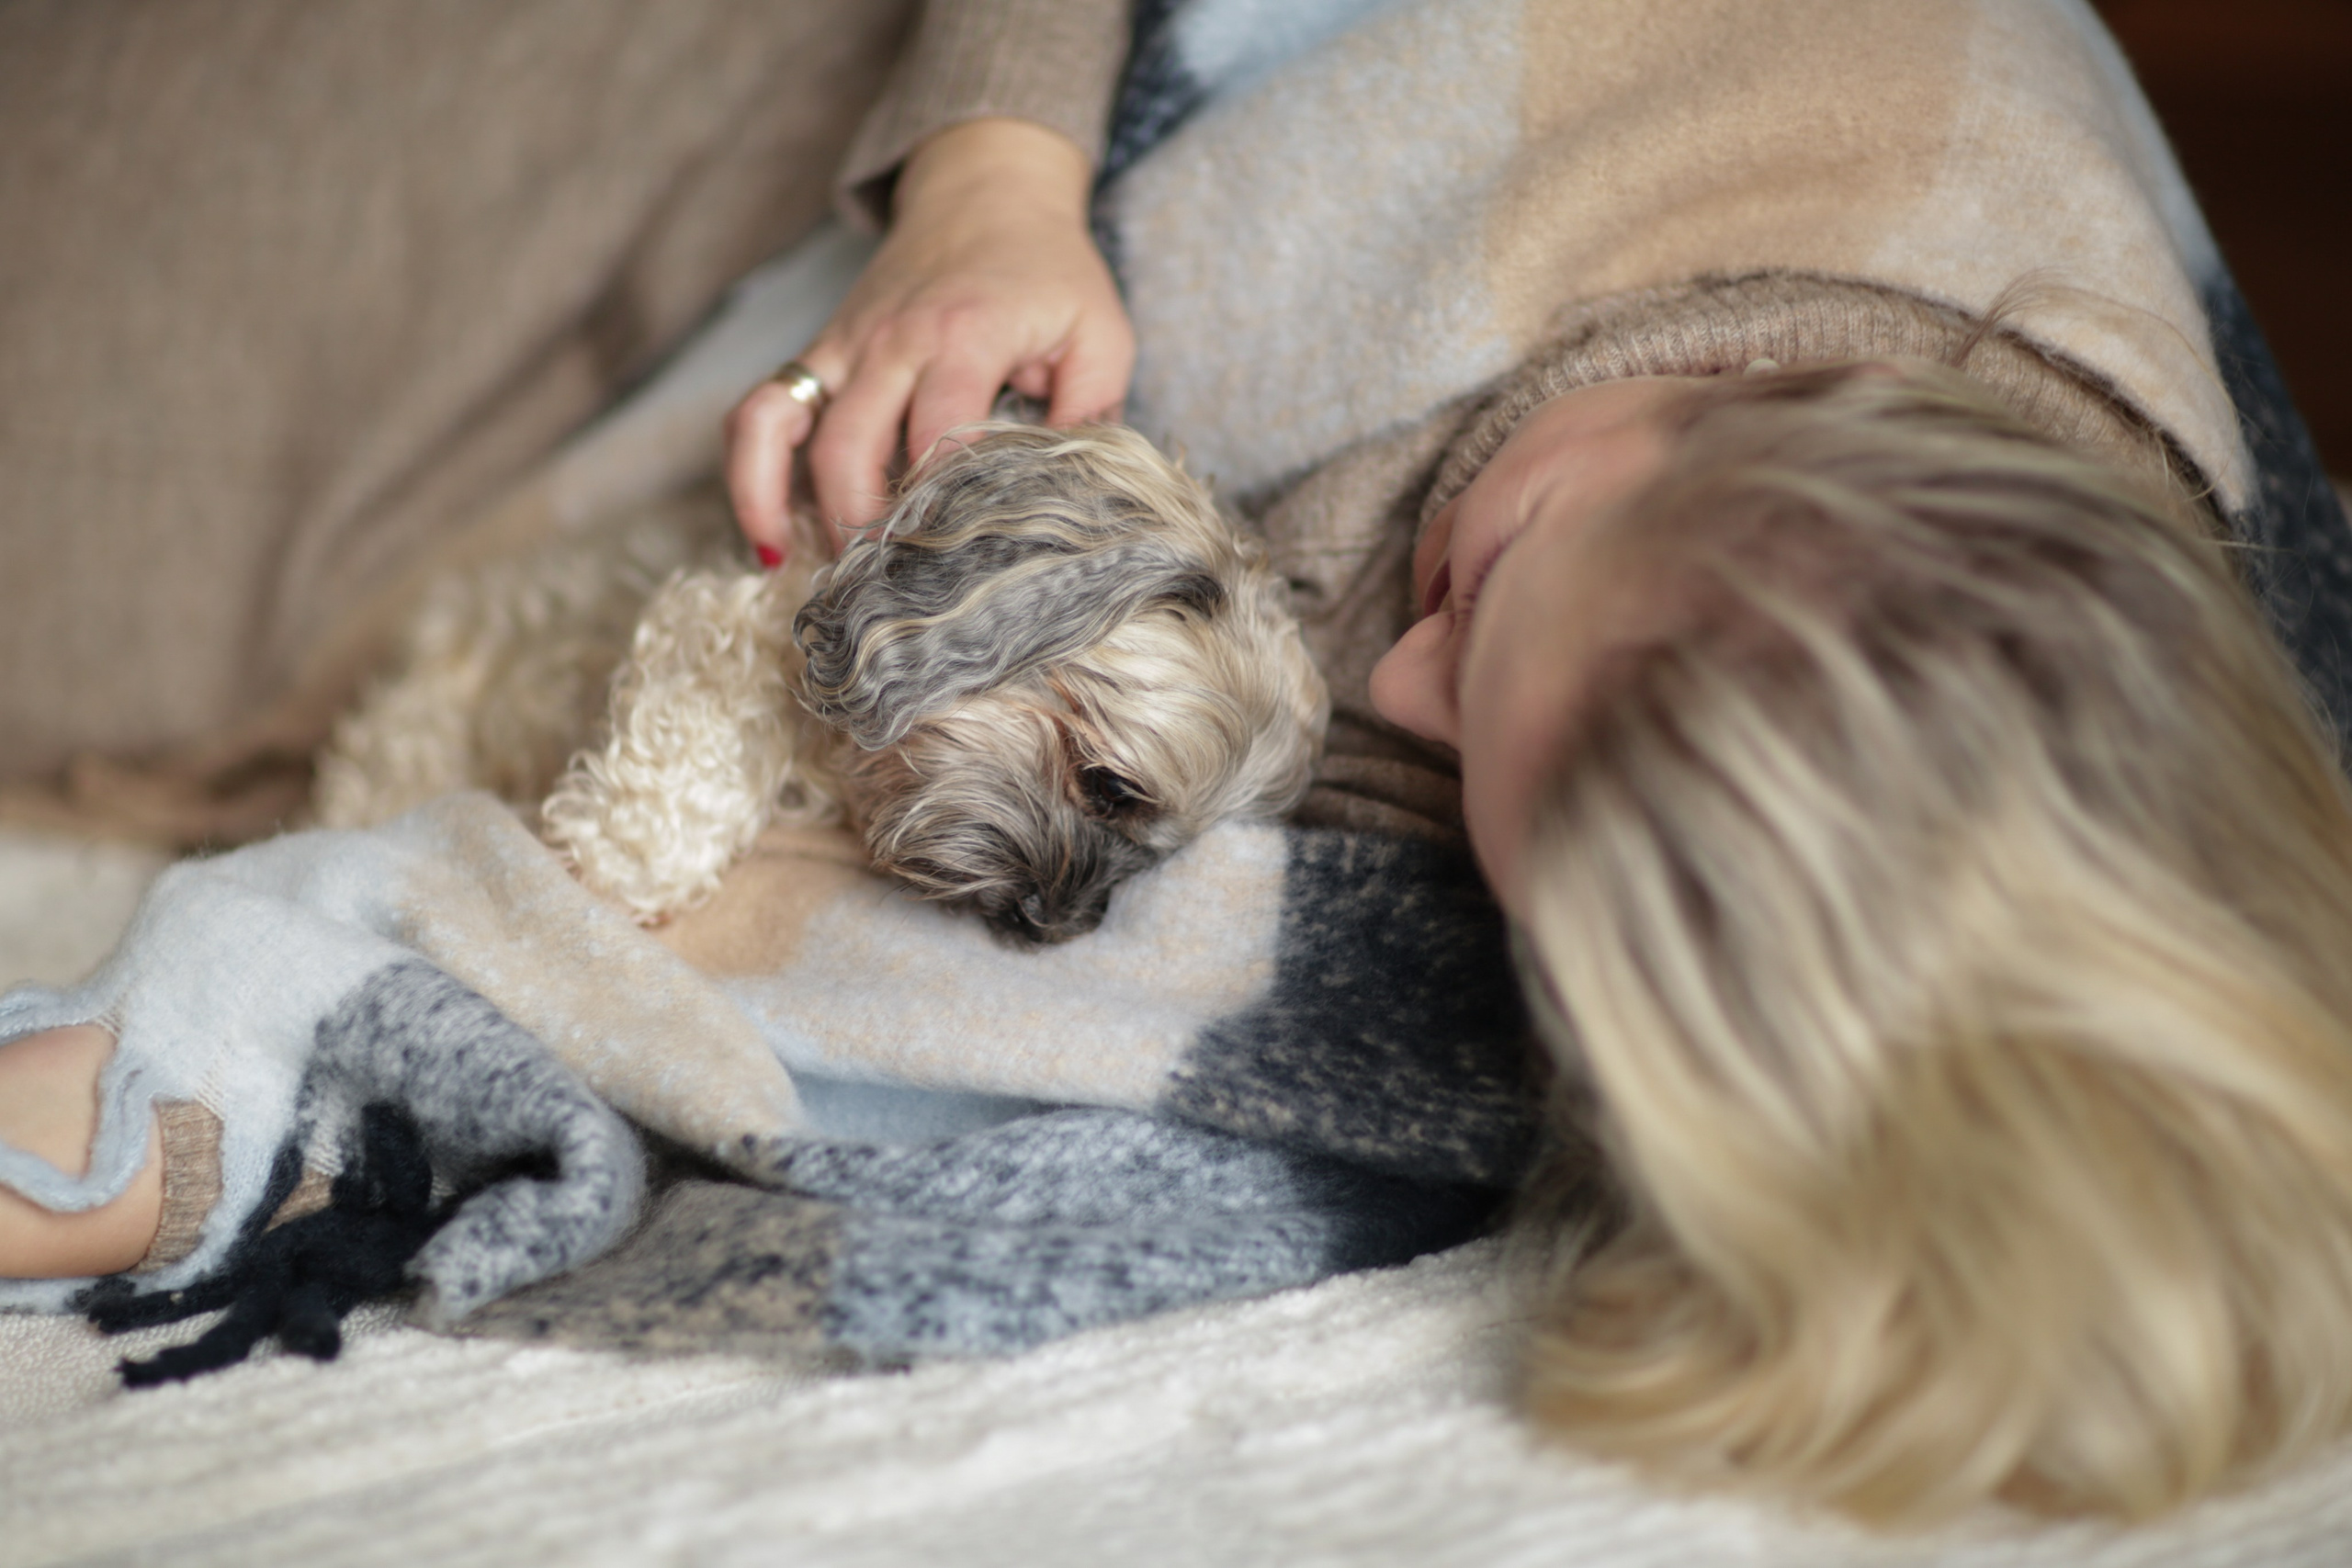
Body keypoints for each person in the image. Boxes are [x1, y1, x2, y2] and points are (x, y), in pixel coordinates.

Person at [10, 0, 2352, 1528]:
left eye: (1499, 855)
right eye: (1495, 571)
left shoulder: (1634, 933)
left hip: (471, 482)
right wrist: (991, 182)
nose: (1387, 713)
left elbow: (761, 982)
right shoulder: (1881, 93)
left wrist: (186, 1100)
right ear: (1794, 418)